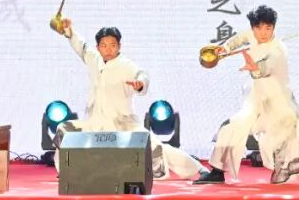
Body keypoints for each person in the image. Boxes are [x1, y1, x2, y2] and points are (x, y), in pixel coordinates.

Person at [194, 5, 299, 190]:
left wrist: (255, 68)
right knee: (231, 127)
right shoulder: (252, 35)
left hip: (282, 108)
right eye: (259, 28)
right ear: (253, 27)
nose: (263, 33)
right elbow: (241, 38)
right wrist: (225, 48)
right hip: (257, 104)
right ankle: (217, 171)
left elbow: (267, 67)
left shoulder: (278, 50)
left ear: (273, 27)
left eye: (268, 28)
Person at [54, 20, 205, 180]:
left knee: (155, 146)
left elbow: (142, 75)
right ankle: (66, 169)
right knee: (63, 130)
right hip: (94, 123)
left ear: (119, 46)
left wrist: (140, 84)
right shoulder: (93, 58)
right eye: (104, 45)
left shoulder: (126, 65)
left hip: (122, 124)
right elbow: (80, 45)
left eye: (113, 45)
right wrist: (68, 29)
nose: (108, 49)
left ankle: (199, 169)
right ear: (98, 47)